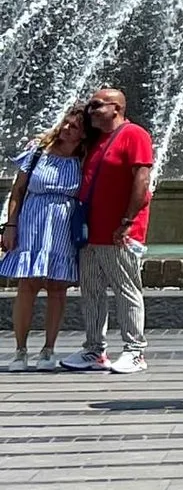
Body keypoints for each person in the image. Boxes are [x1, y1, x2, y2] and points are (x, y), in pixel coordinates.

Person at [70, 85, 155, 375]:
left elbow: (142, 180)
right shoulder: (96, 139)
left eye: (96, 105)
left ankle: (135, 351)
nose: (90, 111)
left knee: (126, 290)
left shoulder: (134, 134)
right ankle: (94, 349)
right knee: (91, 290)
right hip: (91, 231)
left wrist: (128, 222)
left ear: (116, 108)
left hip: (120, 232)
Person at [4, 105, 92, 366]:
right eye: (66, 122)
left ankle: (48, 350)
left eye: (74, 126)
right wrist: (10, 226)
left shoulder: (84, 157)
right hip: (33, 220)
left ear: (84, 135)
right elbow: (18, 191)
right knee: (27, 285)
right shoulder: (37, 150)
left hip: (63, 226)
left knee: (57, 288)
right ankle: (20, 350)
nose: (66, 128)